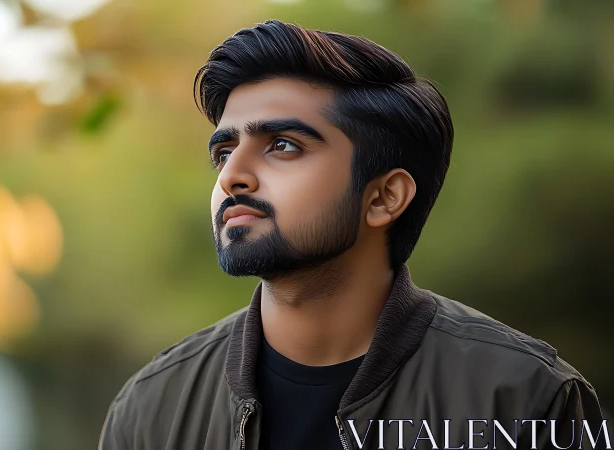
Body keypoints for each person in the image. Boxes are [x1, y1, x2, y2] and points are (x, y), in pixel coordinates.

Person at [99, 20, 603, 450]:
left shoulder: (523, 400)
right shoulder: (152, 409)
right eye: (224, 152)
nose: (232, 176)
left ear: (384, 197)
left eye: (282, 145)